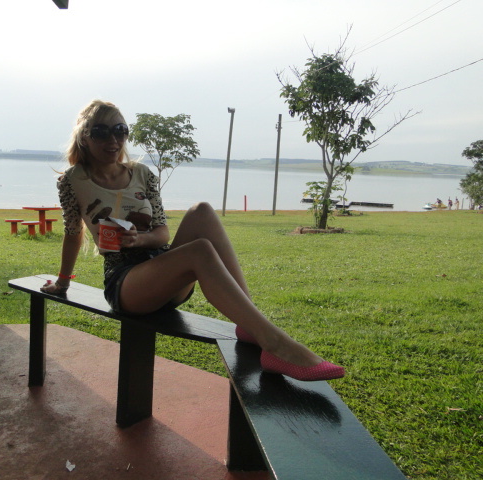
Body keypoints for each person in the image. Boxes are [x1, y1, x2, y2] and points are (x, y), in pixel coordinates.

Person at [40, 100, 344, 382]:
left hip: (162, 266)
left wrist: (140, 239)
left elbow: (162, 233)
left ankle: (250, 326)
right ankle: (275, 344)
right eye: (101, 132)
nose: (113, 139)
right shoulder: (72, 181)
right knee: (199, 251)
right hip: (127, 283)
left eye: (120, 130)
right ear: (85, 136)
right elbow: (72, 233)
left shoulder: (142, 174)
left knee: (202, 211)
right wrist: (63, 282)